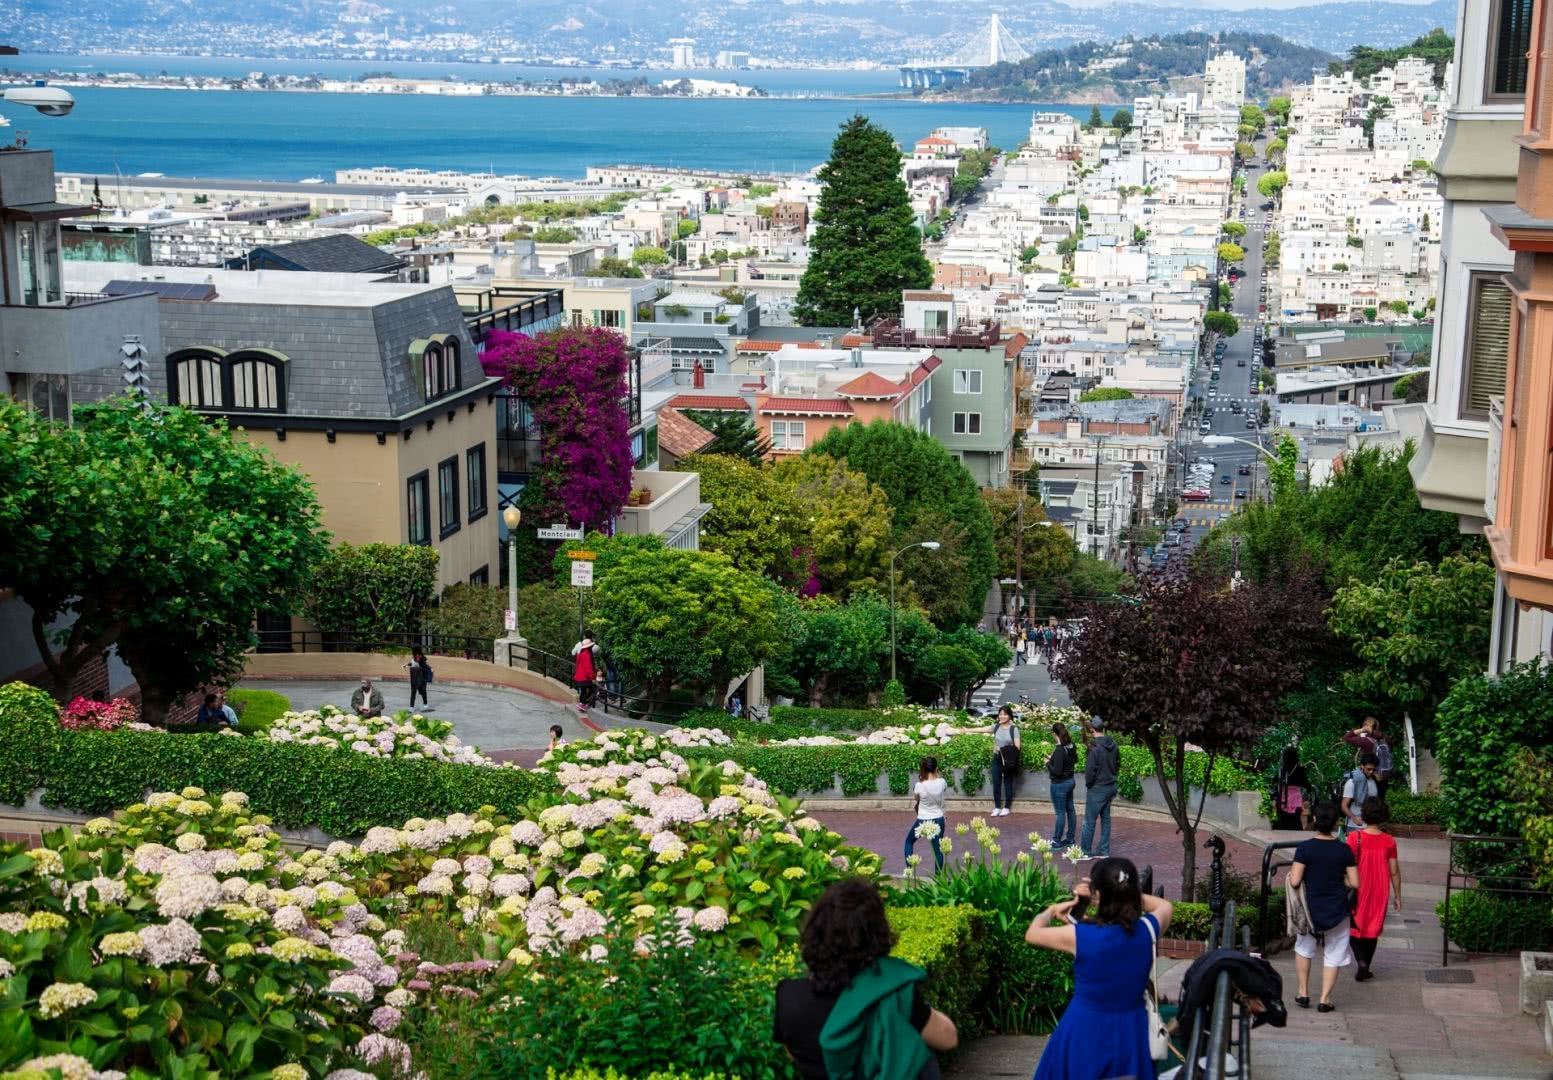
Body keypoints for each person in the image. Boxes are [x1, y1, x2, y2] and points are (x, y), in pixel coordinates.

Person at [774, 878, 958, 1080]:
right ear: (878, 933)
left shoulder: (789, 999)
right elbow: (948, 1038)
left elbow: (792, 1054)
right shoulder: (892, 993)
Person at [1027, 857, 1174, 1080]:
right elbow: (1164, 905)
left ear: (1099, 894)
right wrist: (1124, 892)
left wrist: (1051, 910)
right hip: (1131, 1028)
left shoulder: (1081, 936)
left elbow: (1033, 933)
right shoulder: (1147, 931)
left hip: (1085, 1028)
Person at [1287, 801, 1359, 1012]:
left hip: (1309, 911)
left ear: (1315, 820)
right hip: (1337, 909)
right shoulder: (1343, 850)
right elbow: (1355, 883)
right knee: (1334, 952)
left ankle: (1303, 992)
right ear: (1336, 822)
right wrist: (1341, 881)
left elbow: (1295, 881)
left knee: (1304, 948)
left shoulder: (1305, 848)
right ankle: (1325, 999)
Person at [1346, 797, 1401, 983]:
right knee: (1373, 928)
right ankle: (1366, 965)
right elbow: (1394, 872)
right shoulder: (1389, 841)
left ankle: (1361, 961)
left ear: (1364, 814)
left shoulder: (1354, 838)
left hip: (1358, 887)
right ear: (1384, 816)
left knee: (1353, 928)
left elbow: (1345, 865)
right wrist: (1398, 896)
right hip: (1380, 888)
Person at [1079, 716, 1121, 859]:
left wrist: (1089, 784)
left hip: (1097, 788)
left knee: (1089, 821)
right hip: (1110, 786)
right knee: (1105, 819)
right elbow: (1117, 764)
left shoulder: (1094, 747)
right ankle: (1103, 850)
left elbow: (1090, 771)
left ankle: (1085, 851)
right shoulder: (1113, 744)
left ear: (1091, 729)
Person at [904, 757, 948, 873]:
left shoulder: (919, 785)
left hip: (923, 819)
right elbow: (942, 790)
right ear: (936, 769)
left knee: (909, 842)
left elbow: (916, 798)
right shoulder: (942, 782)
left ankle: (909, 871)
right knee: (938, 850)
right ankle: (938, 879)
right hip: (939, 818)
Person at [1046, 722, 1078, 848]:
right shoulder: (1071, 745)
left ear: (1054, 734)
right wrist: (1053, 759)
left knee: (1060, 813)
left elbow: (1057, 771)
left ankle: (1056, 840)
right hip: (1070, 781)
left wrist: (1048, 763)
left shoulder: (1060, 749)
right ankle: (1070, 838)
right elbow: (1074, 760)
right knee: (1070, 810)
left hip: (1059, 784)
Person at [989, 706, 1021, 817]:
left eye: (1005, 714)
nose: (1002, 716)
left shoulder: (1014, 729)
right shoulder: (996, 727)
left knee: (1007, 783)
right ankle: (997, 807)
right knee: (996, 782)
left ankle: (1007, 807)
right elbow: (983, 729)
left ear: (1009, 716)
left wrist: (1002, 749)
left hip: (1007, 760)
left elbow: (1017, 747)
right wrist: (965, 730)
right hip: (997, 758)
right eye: (1000, 714)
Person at [1341, 753, 1381, 833]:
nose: (1371, 772)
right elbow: (1344, 805)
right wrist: (1354, 818)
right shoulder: (1352, 782)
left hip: (1371, 826)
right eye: (1368, 769)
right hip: (1355, 826)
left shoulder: (1374, 781)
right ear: (1362, 766)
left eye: (1373, 769)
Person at [1273, 744, 1309, 831]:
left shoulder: (1282, 769)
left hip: (1283, 796)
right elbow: (1306, 783)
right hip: (1295, 797)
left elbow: (1274, 780)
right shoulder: (1300, 769)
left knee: (1282, 820)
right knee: (1296, 820)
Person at [571, 631, 599, 710]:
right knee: (591, 690)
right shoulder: (587, 655)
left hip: (580, 675)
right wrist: (592, 677)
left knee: (583, 691)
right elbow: (588, 667)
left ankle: (582, 703)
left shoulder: (581, 654)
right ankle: (583, 704)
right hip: (585, 677)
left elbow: (577, 662)